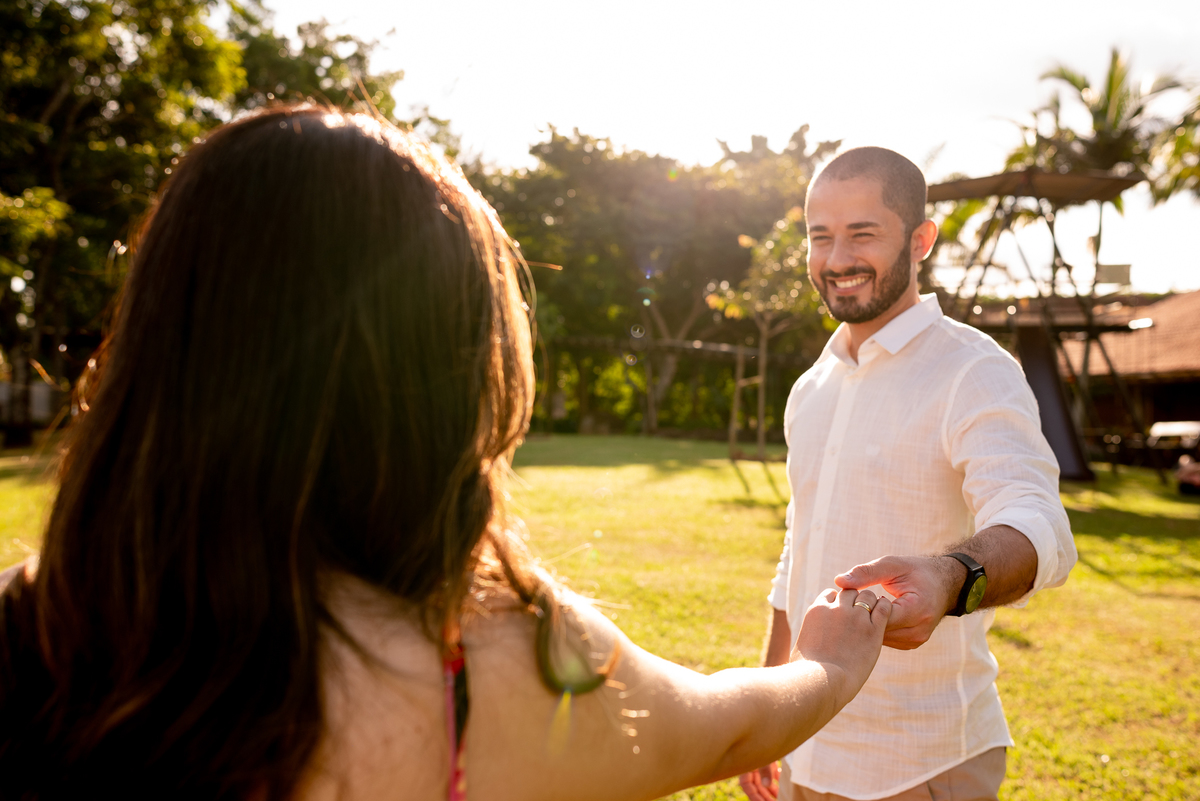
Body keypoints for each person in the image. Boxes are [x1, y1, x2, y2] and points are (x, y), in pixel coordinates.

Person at [0, 106, 892, 800]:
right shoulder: (503, 660)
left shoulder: (28, 629)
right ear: (460, 364)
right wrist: (830, 666)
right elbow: (725, 725)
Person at [738, 147, 1076, 801]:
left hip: (920, 763)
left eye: (862, 233)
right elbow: (798, 552)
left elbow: (1038, 521)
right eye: (820, 236)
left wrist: (951, 577)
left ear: (921, 240)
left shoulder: (973, 369)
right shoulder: (811, 387)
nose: (837, 259)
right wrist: (769, 700)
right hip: (806, 743)